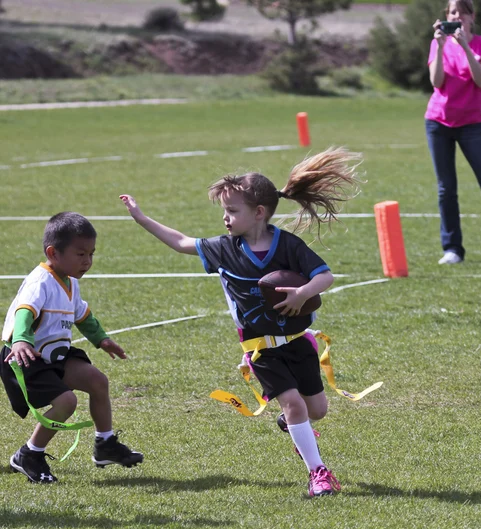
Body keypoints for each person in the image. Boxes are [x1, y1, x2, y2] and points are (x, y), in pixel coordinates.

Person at [120, 147, 361, 497]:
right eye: (224, 211)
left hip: (298, 341)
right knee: (294, 404)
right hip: (261, 349)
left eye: (232, 211)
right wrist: (141, 217)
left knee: (316, 410)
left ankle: (293, 426)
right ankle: (318, 474)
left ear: (259, 212)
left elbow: (325, 276)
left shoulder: (289, 246)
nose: (226, 218)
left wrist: (301, 293)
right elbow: (181, 242)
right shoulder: (223, 248)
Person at [0, 212, 143, 484]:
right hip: (25, 357)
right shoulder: (40, 281)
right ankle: (29, 454)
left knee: (97, 381)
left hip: (55, 356)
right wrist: (20, 340)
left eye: (91, 253)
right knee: (67, 402)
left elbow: (83, 316)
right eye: (80, 254)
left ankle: (105, 445)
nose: (87, 261)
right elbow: (24, 313)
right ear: (53, 252)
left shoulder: (70, 281)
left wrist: (101, 339)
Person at [425, 0, 481, 265]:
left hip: (472, 125)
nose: (458, 17)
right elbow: (436, 82)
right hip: (438, 122)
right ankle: (452, 249)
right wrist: (442, 45)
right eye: (453, 13)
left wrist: (465, 46)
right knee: (446, 189)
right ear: (447, 16)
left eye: (463, 13)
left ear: (471, 16)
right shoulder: (438, 44)